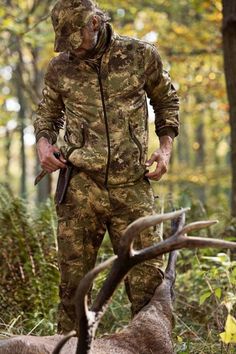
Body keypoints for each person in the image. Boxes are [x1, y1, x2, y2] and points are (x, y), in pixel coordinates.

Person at [34, 0, 179, 334]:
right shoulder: (60, 68)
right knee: (74, 288)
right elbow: (47, 113)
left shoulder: (140, 55)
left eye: (76, 37)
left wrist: (166, 148)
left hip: (133, 185)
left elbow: (166, 100)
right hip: (81, 187)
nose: (73, 47)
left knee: (149, 287)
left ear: (95, 23)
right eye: (65, 39)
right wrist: (44, 143)